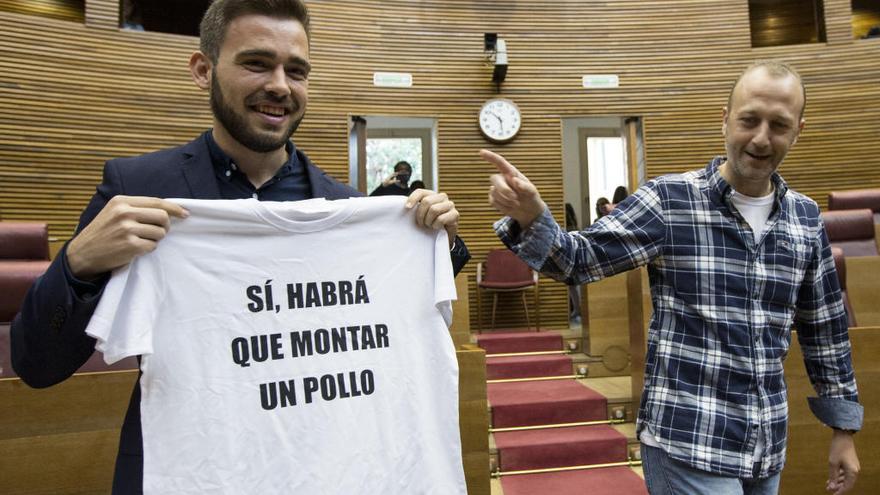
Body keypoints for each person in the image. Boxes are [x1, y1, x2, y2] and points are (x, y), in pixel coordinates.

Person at [10, 0, 469, 491]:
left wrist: (435, 238)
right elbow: (37, 365)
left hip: (328, 469)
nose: (279, 85)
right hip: (193, 471)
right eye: (256, 63)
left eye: (297, 70)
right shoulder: (138, 188)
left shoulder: (345, 209)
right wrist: (79, 263)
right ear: (202, 70)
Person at [483, 61, 861, 494]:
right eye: (748, 119)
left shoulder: (805, 218)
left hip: (765, 444)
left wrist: (843, 429)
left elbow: (825, 330)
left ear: (798, 131)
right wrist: (532, 217)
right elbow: (578, 260)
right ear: (724, 118)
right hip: (687, 438)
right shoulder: (670, 200)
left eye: (779, 125)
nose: (761, 138)